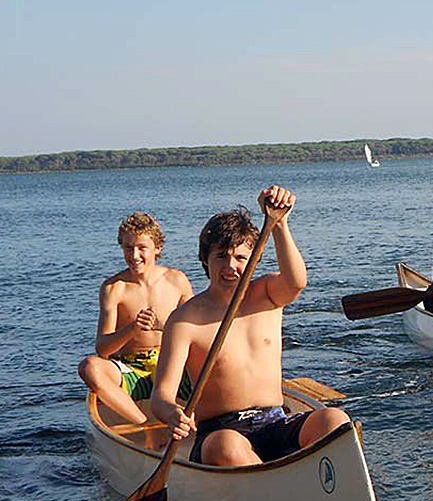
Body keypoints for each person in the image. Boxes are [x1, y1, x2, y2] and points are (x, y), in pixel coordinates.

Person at [151, 185, 350, 466]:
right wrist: (172, 413)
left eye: (240, 257)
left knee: (335, 420)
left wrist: (279, 224)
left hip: (275, 422)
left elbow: (297, 281)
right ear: (205, 259)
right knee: (227, 446)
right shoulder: (184, 320)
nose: (230, 266)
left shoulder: (267, 294)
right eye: (221, 256)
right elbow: (161, 397)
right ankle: (271, 483)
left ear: (254, 259)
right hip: (221, 432)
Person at [78, 212, 193, 427]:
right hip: (132, 368)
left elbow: (197, 333)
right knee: (89, 367)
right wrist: (132, 329)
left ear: (157, 248)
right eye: (128, 248)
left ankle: (203, 418)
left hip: (172, 365)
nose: (134, 255)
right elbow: (103, 349)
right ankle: (144, 424)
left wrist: (161, 326)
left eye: (142, 248)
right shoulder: (114, 288)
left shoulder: (177, 280)